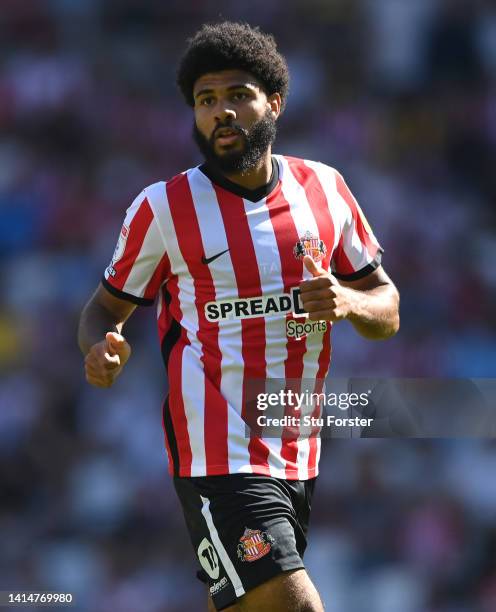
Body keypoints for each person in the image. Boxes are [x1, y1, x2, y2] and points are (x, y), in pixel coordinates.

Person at [78, 21, 400, 612]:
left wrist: (351, 303)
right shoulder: (164, 207)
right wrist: (101, 346)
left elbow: (388, 307)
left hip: (298, 448)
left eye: (236, 96)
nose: (220, 113)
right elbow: (105, 306)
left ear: (273, 101)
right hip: (217, 454)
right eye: (206, 101)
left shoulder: (324, 190)